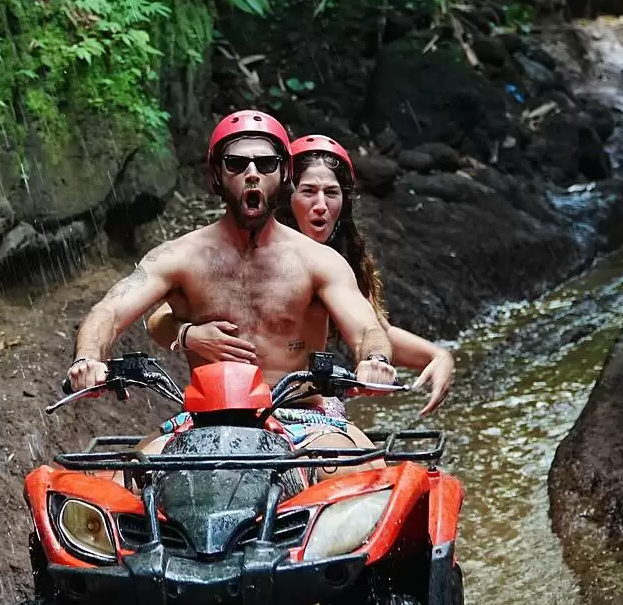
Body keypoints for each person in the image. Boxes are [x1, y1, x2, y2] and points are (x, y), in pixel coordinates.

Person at [66, 110, 397, 457]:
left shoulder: (318, 261)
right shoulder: (180, 257)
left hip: (303, 419)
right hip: (206, 420)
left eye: (266, 164)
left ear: (284, 174)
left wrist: (374, 360)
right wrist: (88, 359)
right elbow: (109, 310)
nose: (252, 174)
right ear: (216, 176)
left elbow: (366, 329)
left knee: (362, 478)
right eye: (237, 164)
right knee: (132, 480)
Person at [146, 134, 455, 417]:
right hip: (224, 403)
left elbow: (374, 332)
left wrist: (434, 356)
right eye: (308, 192)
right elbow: (160, 320)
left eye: (331, 193)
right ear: (284, 194)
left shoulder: (337, 261)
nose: (320, 206)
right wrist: (189, 335)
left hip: (303, 404)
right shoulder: (245, 245)